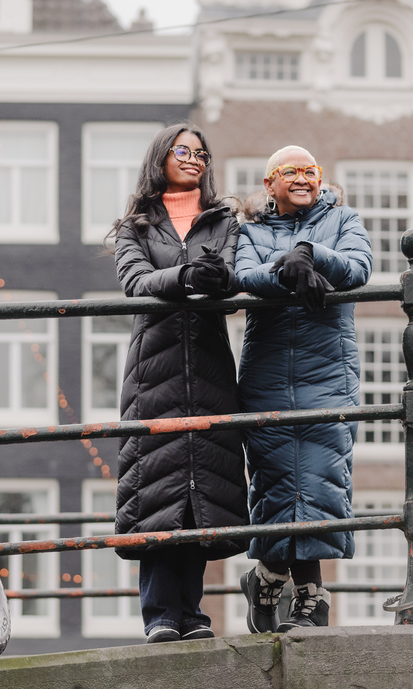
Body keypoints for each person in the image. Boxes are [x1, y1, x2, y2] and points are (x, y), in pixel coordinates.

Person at [110, 123, 248, 643]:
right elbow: (136, 281)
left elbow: (232, 274)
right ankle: (160, 615)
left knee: (200, 488)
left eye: (201, 153)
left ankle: (191, 614)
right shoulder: (136, 226)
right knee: (157, 487)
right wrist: (187, 277)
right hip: (155, 370)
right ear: (161, 157)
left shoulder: (223, 220)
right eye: (182, 150)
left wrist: (218, 279)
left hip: (209, 366)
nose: (193, 158)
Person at [234, 144, 373, 632]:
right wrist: (286, 270)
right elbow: (243, 275)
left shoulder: (344, 219)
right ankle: (292, 590)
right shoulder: (249, 230)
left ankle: (288, 587)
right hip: (267, 372)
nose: (302, 178)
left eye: (310, 170)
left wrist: (312, 254)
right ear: (269, 183)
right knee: (274, 480)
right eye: (289, 171)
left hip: (328, 371)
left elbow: (359, 266)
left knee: (319, 477)